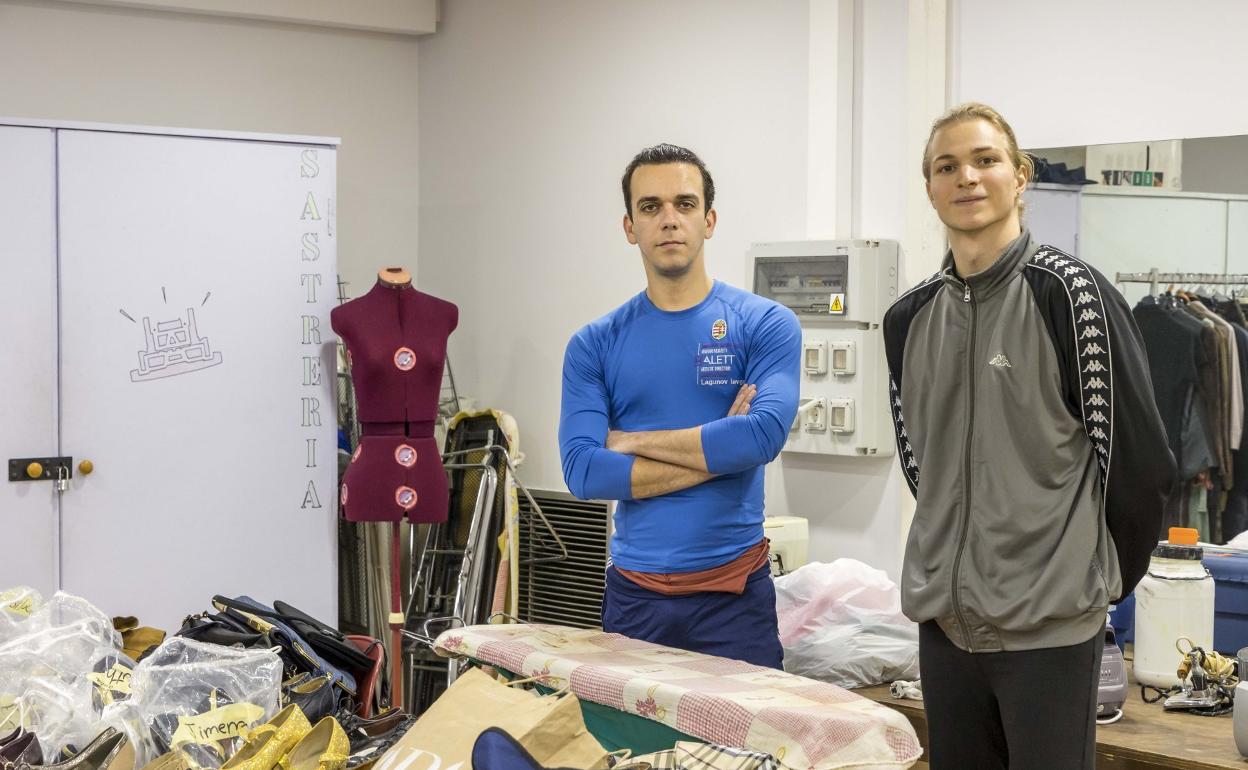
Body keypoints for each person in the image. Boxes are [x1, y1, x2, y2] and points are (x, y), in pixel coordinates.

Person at [882, 103, 1176, 769]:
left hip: (1049, 632)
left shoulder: (1071, 294)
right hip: (945, 629)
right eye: (946, 166)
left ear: (1020, 177)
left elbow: (1139, 468)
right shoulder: (908, 319)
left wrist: (1090, 581)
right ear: (930, 188)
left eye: (986, 160)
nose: (967, 177)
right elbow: (920, 466)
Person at [558, 143, 800, 668]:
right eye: (651, 207)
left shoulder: (765, 324)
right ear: (629, 227)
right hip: (634, 601)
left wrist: (628, 441)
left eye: (685, 205)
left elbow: (760, 437)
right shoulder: (593, 344)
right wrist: (720, 450)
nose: (669, 220)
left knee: (745, 751)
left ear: (709, 220)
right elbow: (582, 472)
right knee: (631, 753)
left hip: (734, 599)